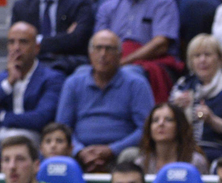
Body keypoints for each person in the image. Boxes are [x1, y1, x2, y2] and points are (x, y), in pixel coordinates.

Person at [56, 29, 155, 172]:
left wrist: (112, 149)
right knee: (56, 154)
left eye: (109, 49)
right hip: (81, 153)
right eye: (98, 48)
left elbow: (145, 129)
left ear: (120, 55)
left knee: (132, 156)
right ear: (90, 54)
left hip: (122, 152)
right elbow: (62, 128)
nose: (103, 54)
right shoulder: (73, 83)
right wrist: (79, 151)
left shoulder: (136, 84)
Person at [99, 0, 185, 102]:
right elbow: (98, 43)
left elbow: (160, 45)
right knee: (79, 76)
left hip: (150, 64)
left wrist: (122, 62)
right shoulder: (108, 6)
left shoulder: (164, 3)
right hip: (112, 61)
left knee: (129, 75)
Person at [0, 22, 67, 143]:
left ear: (36, 48)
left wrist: (1, 116)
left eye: (23, 42)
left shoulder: (52, 78)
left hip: (35, 143)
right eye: (11, 42)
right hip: (0, 142)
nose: (16, 48)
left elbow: (40, 119)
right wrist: (9, 83)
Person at [169, 33, 222, 163]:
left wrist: (213, 120)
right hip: (184, 150)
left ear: (220, 59)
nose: (202, 60)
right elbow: (165, 120)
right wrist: (175, 109)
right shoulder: (183, 84)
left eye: (207, 55)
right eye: (197, 56)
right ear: (190, 61)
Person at [131, 103, 207, 176]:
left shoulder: (195, 162)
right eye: (155, 120)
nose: (160, 123)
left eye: (168, 119)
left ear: (180, 126)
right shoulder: (141, 163)